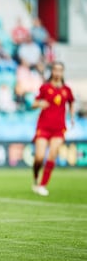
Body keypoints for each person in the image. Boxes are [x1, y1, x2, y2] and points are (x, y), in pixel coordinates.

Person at [31, 61, 75, 196]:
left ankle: (42, 185)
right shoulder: (45, 87)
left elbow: (71, 102)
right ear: (52, 71)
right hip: (43, 126)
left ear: (62, 72)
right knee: (39, 157)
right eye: (55, 70)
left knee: (52, 155)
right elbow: (34, 103)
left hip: (59, 128)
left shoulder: (67, 90)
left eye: (60, 70)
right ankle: (36, 176)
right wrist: (40, 104)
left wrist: (72, 117)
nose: (57, 72)